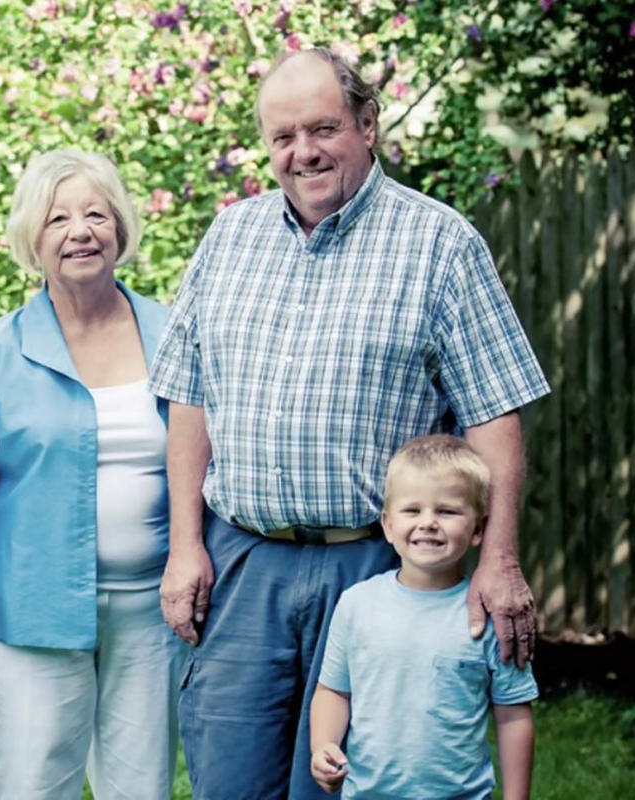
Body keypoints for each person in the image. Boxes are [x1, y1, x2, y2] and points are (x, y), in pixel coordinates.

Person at [148, 46, 550, 798]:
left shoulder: (440, 243)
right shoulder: (228, 239)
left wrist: (498, 562)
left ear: (368, 124)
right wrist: (184, 547)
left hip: (376, 571)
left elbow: (496, 411)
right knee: (226, 778)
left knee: (352, 782)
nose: (303, 152)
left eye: (323, 128)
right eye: (282, 137)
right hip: (242, 565)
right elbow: (188, 399)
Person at [0, 150, 185, 799]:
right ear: (32, 239)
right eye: (58, 218)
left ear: (120, 229)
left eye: (96, 214)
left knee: (142, 789)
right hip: (32, 612)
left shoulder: (175, 333)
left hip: (155, 611)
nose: (81, 231)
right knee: (35, 785)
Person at [310, 435, 536, 799]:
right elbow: (333, 691)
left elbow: (513, 715)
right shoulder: (356, 606)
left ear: (479, 528)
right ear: (386, 524)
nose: (428, 522)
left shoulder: (487, 615)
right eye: (412, 510)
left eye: (446, 511)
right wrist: (322, 745)